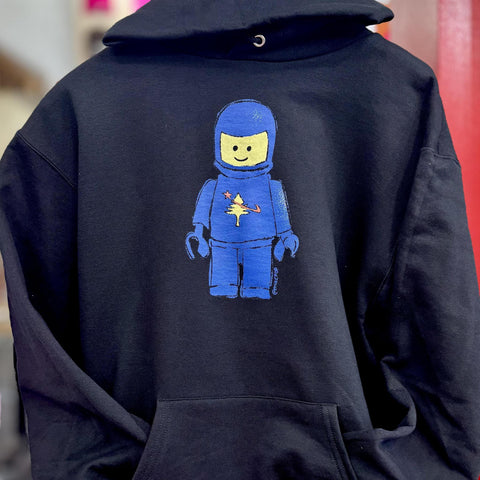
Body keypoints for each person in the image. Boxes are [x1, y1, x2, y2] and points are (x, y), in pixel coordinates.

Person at [0, 1, 479, 479]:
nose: (243, 153)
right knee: (226, 275)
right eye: (235, 145)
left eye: (251, 145)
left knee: (256, 277)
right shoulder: (77, 115)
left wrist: (286, 236)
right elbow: (46, 355)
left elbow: (442, 334)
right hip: (222, 253)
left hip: (261, 251)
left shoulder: (400, 96)